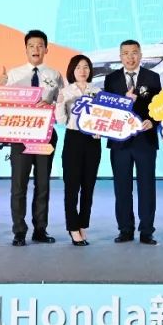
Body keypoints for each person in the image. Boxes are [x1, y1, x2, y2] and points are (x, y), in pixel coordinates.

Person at [0, 30, 63, 246]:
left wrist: (51, 104)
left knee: (42, 184)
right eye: (31, 46)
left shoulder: (55, 75)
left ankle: (40, 229)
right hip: (21, 137)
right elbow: (3, 104)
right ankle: (19, 231)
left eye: (40, 45)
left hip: (45, 136)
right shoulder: (14, 75)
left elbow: (61, 103)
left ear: (46, 49)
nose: (36, 49)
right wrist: (2, 85)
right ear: (25, 49)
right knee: (19, 185)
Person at [104, 39, 161, 245]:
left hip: (145, 140)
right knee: (122, 187)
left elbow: (160, 107)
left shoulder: (152, 77)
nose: (130, 57)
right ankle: (125, 229)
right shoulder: (111, 79)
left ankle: (146, 231)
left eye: (134, 52)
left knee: (147, 186)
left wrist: (153, 121)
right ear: (120, 57)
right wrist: (124, 101)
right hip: (120, 142)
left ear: (140, 55)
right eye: (126, 53)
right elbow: (107, 110)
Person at [56, 54, 101, 246]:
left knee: (88, 187)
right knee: (72, 187)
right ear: (72, 71)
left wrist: (100, 130)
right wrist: (59, 103)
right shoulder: (65, 91)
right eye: (78, 67)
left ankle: (83, 224)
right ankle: (73, 228)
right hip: (73, 139)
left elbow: (104, 118)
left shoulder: (97, 91)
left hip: (93, 141)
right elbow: (61, 120)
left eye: (86, 67)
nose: (82, 71)